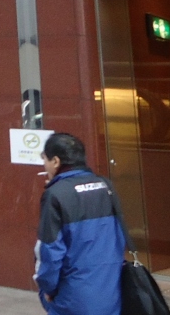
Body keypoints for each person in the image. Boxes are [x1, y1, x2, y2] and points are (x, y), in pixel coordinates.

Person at [35, 132, 128, 315]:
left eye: (44, 159)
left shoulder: (55, 194)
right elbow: (119, 237)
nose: (44, 165)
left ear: (56, 161)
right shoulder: (105, 186)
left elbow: (51, 251)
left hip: (73, 296)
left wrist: (48, 288)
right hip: (111, 290)